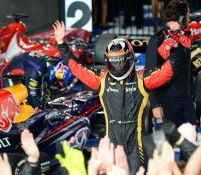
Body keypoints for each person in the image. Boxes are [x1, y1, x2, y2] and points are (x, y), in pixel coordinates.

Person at [53, 20, 178, 174]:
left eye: (121, 61)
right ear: (107, 61)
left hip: (135, 142)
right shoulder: (102, 79)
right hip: (111, 141)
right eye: (114, 62)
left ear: (130, 59)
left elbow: (168, 71)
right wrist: (61, 43)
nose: (118, 66)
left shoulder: (142, 79)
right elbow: (76, 67)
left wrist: (174, 47)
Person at [145, 0, 197, 127]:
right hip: (165, 102)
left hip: (186, 101)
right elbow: (149, 74)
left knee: (190, 144)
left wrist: (192, 98)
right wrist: (155, 104)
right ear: (181, 17)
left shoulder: (185, 37)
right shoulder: (157, 39)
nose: (189, 18)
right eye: (187, 14)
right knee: (165, 146)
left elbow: (188, 69)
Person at [0, 52, 76, 109]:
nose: (57, 85)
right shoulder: (36, 70)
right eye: (57, 81)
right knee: (18, 107)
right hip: (8, 75)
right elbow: (33, 99)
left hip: (24, 70)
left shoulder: (56, 61)